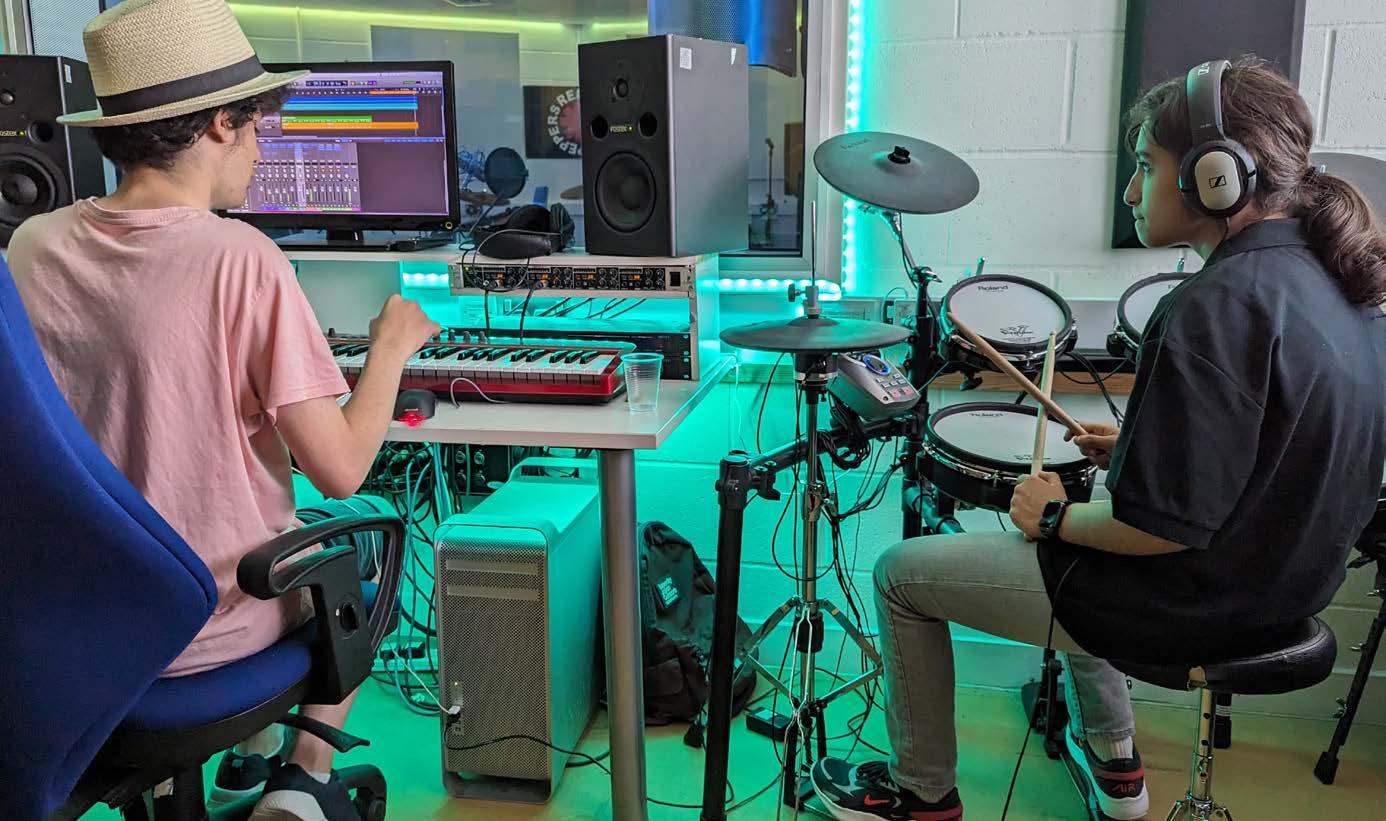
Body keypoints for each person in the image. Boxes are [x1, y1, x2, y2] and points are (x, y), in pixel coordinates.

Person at [811, 56, 1386, 821]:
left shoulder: (1211, 304)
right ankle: (1115, 762)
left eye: (1144, 166)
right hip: (1287, 590)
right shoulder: (1343, 285)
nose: (1130, 193)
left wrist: (1049, 515)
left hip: (1195, 600)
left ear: (1214, 176)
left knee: (901, 573)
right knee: (1091, 516)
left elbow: (1155, 530)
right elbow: (1279, 450)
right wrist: (1135, 447)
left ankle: (921, 795)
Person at [4, 1, 439, 818]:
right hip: (208, 626)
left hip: (82, 632)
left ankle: (245, 754)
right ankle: (305, 777)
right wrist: (389, 348)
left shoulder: (31, 246)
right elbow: (341, 469)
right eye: (257, 126)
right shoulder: (242, 259)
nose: (262, 147)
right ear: (216, 126)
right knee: (361, 536)